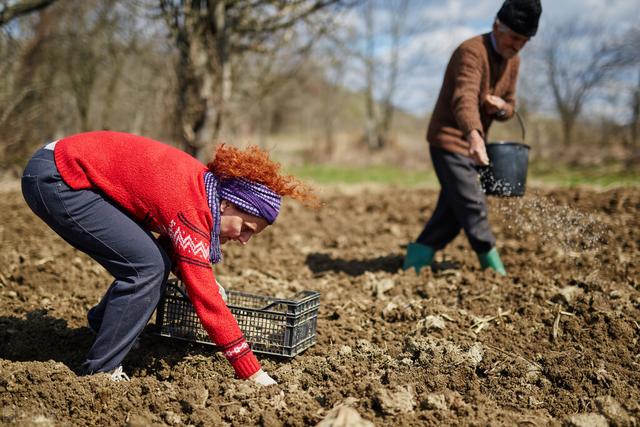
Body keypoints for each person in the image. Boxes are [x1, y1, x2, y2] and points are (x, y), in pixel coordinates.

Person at [21, 131, 316, 384]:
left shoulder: (202, 190)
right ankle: (100, 372)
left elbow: (173, 251)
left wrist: (194, 277)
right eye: (246, 228)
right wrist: (251, 371)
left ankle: (104, 327)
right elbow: (207, 302)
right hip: (59, 177)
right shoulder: (193, 209)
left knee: (152, 260)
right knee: (147, 267)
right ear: (228, 204)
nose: (244, 240)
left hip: (60, 168)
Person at [403, 0, 542, 276]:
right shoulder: (471, 51)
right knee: (471, 204)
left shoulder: (513, 61)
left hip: (472, 145)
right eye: (514, 37)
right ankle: (493, 267)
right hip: (449, 141)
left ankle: (416, 259)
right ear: (496, 26)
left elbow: (511, 103)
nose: (516, 46)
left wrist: (501, 108)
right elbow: (463, 98)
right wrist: (474, 135)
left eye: (523, 41)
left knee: (453, 211)